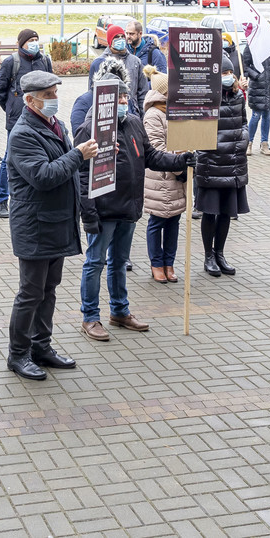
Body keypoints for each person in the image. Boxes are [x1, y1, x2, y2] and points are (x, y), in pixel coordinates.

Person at [74, 72, 186, 340]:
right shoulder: (90, 129)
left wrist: (181, 160)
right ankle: (90, 317)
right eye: (118, 97)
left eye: (125, 96)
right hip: (103, 211)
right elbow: (82, 176)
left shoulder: (134, 122)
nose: (124, 101)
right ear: (104, 101)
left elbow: (151, 157)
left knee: (119, 262)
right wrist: (88, 214)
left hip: (128, 208)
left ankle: (120, 311)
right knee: (95, 263)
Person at [5, 71, 97, 380]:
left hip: (55, 221)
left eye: (55, 93)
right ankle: (18, 354)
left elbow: (65, 166)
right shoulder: (22, 134)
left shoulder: (55, 124)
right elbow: (43, 176)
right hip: (34, 226)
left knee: (48, 289)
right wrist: (77, 155)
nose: (55, 99)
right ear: (30, 101)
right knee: (30, 293)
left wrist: (86, 154)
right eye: (48, 95)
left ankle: (41, 347)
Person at [196, 54, 249, 277]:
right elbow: (199, 130)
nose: (227, 77)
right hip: (212, 163)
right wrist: (218, 145)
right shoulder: (207, 98)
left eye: (230, 73)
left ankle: (220, 253)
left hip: (233, 162)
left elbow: (244, 123)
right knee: (210, 212)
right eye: (223, 73)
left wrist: (243, 138)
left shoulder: (238, 97)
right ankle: (208, 256)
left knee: (226, 212)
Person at [0, 29, 53, 218]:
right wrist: (11, 108)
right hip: (17, 119)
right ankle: (2, 200)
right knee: (9, 158)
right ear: (22, 43)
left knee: (42, 155)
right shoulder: (12, 62)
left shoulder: (44, 61)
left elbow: (51, 87)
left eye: (36, 39)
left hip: (42, 118)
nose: (34, 43)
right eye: (30, 40)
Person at [141, 71, 185, 283]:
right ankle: (156, 263)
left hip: (177, 175)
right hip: (160, 177)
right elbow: (156, 148)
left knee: (174, 221)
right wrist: (179, 163)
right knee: (157, 221)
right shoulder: (153, 115)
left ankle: (169, 262)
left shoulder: (176, 110)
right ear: (163, 92)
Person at [87, 25, 150, 104]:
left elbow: (143, 92)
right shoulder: (99, 63)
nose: (120, 39)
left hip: (131, 109)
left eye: (122, 36)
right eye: (116, 37)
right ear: (110, 41)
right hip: (108, 108)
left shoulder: (135, 62)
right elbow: (92, 94)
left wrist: (141, 110)